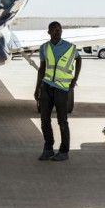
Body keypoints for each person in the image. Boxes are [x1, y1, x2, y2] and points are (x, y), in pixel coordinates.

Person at [34, 21, 82, 161]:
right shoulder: (44, 48)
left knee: (62, 121)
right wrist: (37, 88)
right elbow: (42, 68)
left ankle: (64, 151)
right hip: (46, 87)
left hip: (61, 89)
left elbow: (79, 60)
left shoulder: (69, 47)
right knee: (44, 121)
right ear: (49, 32)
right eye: (54, 30)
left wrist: (74, 79)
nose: (57, 32)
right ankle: (48, 148)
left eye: (59, 29)